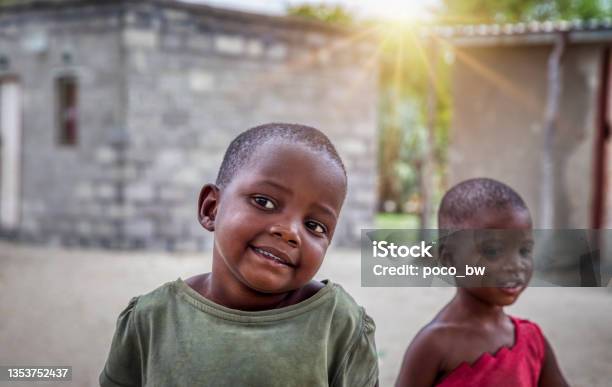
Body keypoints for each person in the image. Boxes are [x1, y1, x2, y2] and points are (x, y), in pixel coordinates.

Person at [100, 123, 379, 387]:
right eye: (264, 202)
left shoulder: (340, 325)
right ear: (211, 208)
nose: (290, 232)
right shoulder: (150, 319)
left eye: (314, 226)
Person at [395, 178, 568, 387]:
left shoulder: (532, 340)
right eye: (493, 251)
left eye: (524, 250)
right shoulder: (434, 344)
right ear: (450, 258)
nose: (515, 265)